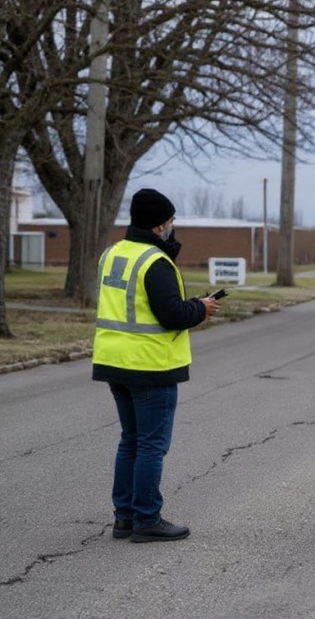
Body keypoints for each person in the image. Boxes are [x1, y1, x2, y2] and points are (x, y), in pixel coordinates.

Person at [92, 188, 220, 542]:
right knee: (151, 444)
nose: (173, 226)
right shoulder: (155, 262)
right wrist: (201, 308)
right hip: (150, 365)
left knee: (130, 441)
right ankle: (147, 518)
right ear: (159, 224)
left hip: (113, 361)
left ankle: (125, 518)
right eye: (172, 221)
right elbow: (171, 314)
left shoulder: (113, 254)